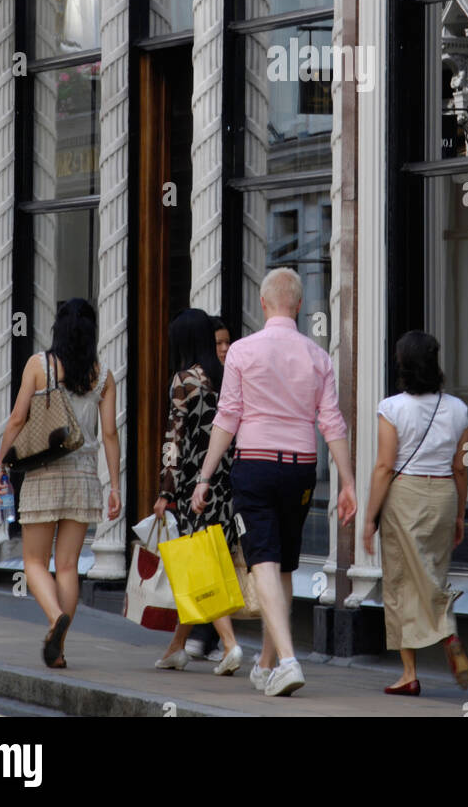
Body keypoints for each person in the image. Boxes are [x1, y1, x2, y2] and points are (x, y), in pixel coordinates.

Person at [192, 267, 357, 697]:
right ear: (299, 306)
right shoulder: (318, 356)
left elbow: (227, 419)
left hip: (255, 466)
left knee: (262, 561)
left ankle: (287, 659)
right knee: (283, 563)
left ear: (263, 305)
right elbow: (332, 422)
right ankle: (267, 664)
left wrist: (205, 477)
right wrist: (348, 482)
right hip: (301, 467)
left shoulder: (243, 352)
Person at [0, 298, 120, 669]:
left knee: (34, 560)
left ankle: (54, 619)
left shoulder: (39, 365)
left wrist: (1, 465)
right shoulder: (104, 374)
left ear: (58, 329)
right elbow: (109, 433)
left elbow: (18, 418)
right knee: (67, 566)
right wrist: (114, 486)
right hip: (83, 476)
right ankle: (60, 648)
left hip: (43, 472)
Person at [363, 330, 468, 696]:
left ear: (403, 365)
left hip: (405, 495)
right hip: (443, 494)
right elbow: (461, 467)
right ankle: (446, 630)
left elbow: (384, 467)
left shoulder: (391, 408)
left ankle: (410, 671)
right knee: (433, 575)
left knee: (400, 583)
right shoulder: (458, 410)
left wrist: (368, 518)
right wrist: (460, 514)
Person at [152, 308, 243, 675]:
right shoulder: (228, 376)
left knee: (201, 566)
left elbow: (173, 440)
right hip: (228, 480)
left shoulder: (184, 380)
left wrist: (165, 491)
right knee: (207, 561)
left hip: (196, 485)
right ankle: (177, 647)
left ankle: (231, 644)